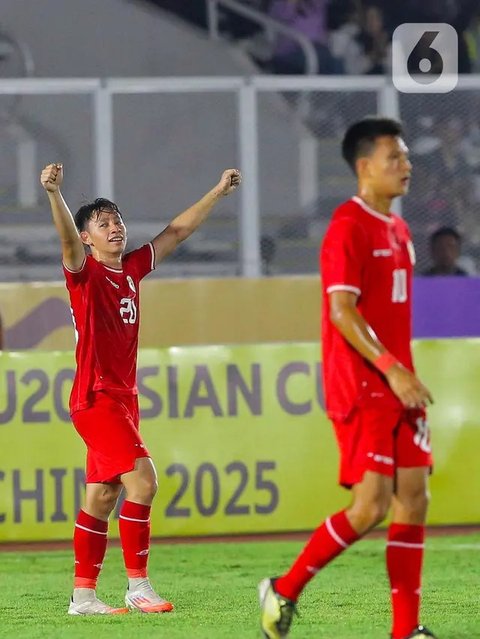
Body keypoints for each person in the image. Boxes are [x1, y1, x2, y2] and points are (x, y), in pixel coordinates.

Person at [259, 117, 437, 639]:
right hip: (363, 383)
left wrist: (402, 373)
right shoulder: (348, 225)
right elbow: (342, 310)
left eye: (405, 157)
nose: (406, 166)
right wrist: (390, 368)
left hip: (400, 382)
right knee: (370, 507)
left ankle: (406, 631)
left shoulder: (399, 229)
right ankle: (284, 589)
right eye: (394, 158)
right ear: (364, 167)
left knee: (416, 497)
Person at [40, 162, 241, 616]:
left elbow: (176, 232)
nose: (114, 228)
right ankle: (138, 586)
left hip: (122, 400)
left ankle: (84, 597)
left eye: (117, 220)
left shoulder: (131, 268)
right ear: (87, 237)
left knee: (103, 494)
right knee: (144, 481)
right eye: (103, 224)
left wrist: (216, 191)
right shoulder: (83, 272)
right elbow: (67, 241)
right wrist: (55, 194)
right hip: (95, 398)